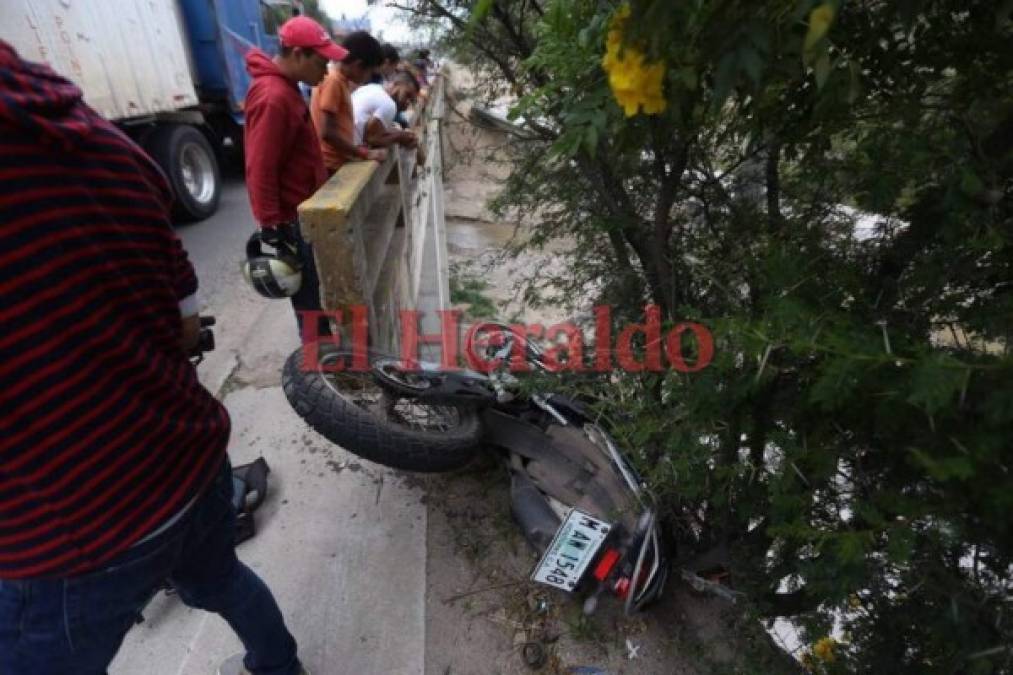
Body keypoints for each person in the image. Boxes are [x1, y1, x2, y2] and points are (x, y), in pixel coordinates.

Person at [0, 41, 305, 675]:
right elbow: (186, 321)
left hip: (69, 528)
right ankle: (280, 667)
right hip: (187, 462)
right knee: (222, 582)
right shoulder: (109, 148)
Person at [244, 16, 347, 339]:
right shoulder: (273, 97)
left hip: (301, 214)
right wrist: (272, 225)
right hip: (291, 221)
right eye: (321, 62)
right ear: (299, 54)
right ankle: (319, 375)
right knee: (311, 307)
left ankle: (325, 366)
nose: (326, 71)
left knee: (317, 298)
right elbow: (260, 167)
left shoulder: (286, 90)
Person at [311, 30, 387, 174]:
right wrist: (364, 153)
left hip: (337, 161)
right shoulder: (333, 81)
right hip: (331, 165)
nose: (368, 77)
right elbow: (327, 132)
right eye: (369, 72)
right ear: (358, 65)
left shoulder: (341, 81)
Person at [352, 71, 420, 150]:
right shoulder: (389, 104)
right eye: (407, 95)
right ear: (396, 84)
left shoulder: (371, 87)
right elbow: (372, 139)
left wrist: (400, 134)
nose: (408, 102)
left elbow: (373, 129)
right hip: (349, 149)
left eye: (411, 100)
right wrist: (400, 137)